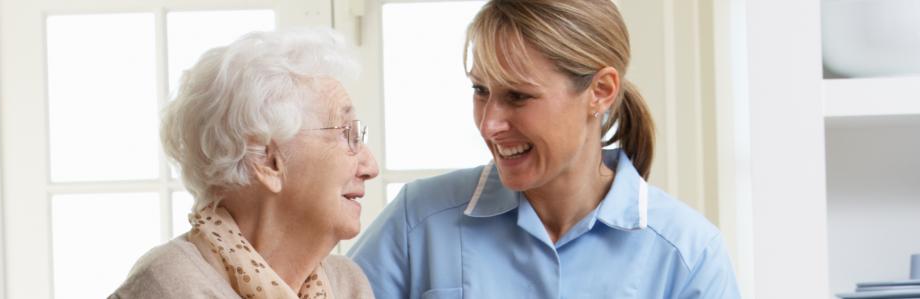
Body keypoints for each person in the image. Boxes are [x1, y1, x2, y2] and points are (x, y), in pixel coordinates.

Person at [348, 0, 740, 298]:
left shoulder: (688, 255)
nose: (489, 124)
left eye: (518, 96)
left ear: (600, 92)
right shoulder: (419, 220)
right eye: (481, 91)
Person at [110, 28, 379, 299]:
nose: (371, 167)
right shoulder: (168, 286)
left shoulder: (347, 284)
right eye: (348, 134)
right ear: (266, 158)